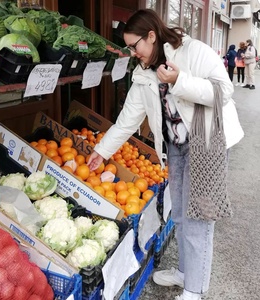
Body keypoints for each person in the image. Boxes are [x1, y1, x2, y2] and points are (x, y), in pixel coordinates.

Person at [87, 9, 244, 300]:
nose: (133, 53)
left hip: (206, 144)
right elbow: (127, 120)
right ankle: (187, 272)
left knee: (198, 218)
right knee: (182, 215)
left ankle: (194, 290)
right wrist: (101, 151)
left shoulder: (193, 52)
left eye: (135, 46)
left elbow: (224, 91)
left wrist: (179, 81)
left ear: (152, 36)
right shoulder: (143, 73)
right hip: (176, 146)